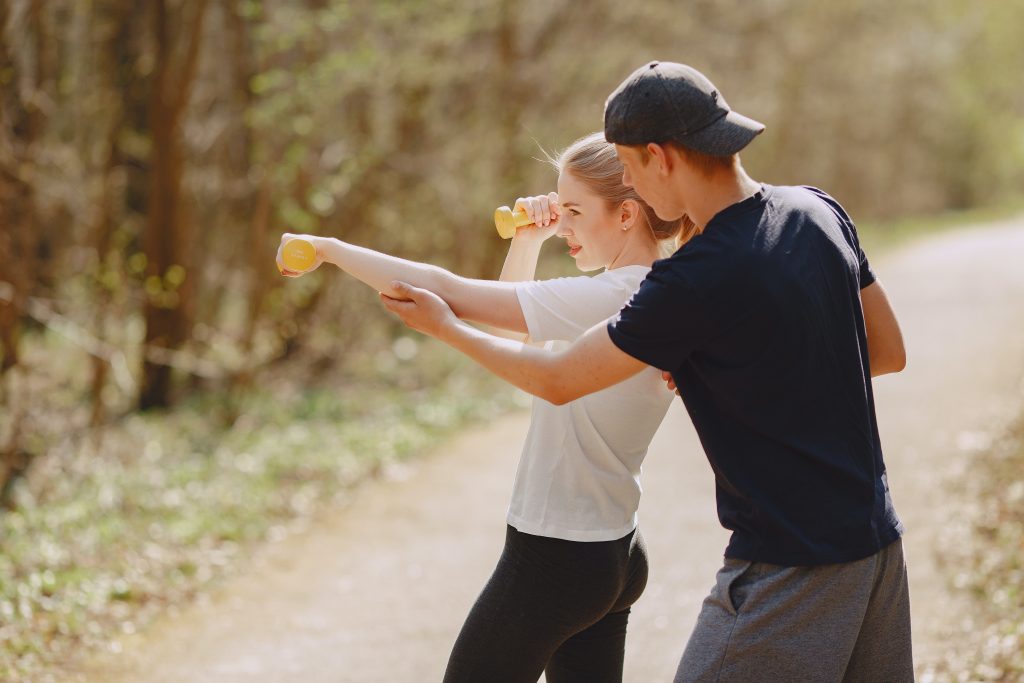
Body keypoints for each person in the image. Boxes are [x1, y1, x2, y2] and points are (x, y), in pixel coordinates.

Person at [380, 61, 912, 682]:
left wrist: (445, 327)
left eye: (628, 168)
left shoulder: (692, 281)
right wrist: (737, 369)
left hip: (788, 569)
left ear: (661, 157)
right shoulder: (818, 211)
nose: (629, 185)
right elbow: (885, 349)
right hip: (877, 548)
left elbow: (558, 380)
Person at [277, 132, 689, 682]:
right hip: (612, 550)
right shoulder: (655, 291)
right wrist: (528, 241)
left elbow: (448, 290)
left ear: (626, 214)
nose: (563, 225)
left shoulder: (612, 297)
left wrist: (327, 248)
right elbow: (506, 324)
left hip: (557, 556)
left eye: (574, 210)